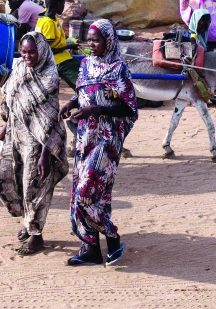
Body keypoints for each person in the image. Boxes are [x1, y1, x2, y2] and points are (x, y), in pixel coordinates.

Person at [60, 19, 137, 267]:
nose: (90, 44)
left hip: (107, 140)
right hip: (85, 138)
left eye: (96, 40)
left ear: (108, 41)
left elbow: (128, 108)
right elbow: (84, 91)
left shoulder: (119, 69)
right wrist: (72, 103)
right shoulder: (85, 64)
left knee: (86, 193)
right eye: (89, 40)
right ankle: (91, 248)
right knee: (94, 195)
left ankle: (112, 236)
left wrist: (95, 110)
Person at [0, 32, 69, 256]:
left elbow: (50, 118)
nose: (27, 56)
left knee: (33, 187)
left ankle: (37, 236)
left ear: (42, 52)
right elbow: (14, 100)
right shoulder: (19, 68)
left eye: (32, 52)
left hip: (39, 143)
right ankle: (28, 222)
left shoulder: (49, 78)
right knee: (6, 178)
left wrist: (46, 154)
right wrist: (6, 128)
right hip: (16, 136)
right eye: (24, 51)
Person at [35, 0, 80, 89]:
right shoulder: (48, 23)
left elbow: (57, 39)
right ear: (59, 4)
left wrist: (70, 40)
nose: (64, 7)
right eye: (63, 4)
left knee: (83, 65)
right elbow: (47, 51)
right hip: (57, 61)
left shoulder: (49, 16)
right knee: (81, 78)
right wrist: (68, 46)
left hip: (63, 57)